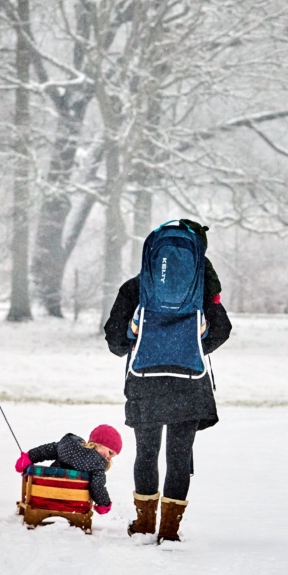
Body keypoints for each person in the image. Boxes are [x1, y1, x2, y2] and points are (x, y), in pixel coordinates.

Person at [104, 218, 231, 542]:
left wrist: (136, 338)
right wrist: (193, 346)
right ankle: (170, 531)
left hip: (146, 381)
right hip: (190, 381)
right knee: (179, 455)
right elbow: (222, 329)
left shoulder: (135, 288)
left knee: (146, 453)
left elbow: (116, 343)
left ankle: (145, 524)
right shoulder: (203, 289)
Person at [14, 425, 122, 515]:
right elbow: (97, 487)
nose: (109, 458)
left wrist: (29, 457)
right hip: (74, 504)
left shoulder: (66, 447)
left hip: (45, 496)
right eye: (110, 453)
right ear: (98, 444)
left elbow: (45, 451)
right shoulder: (98, 468)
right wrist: (104, 504)